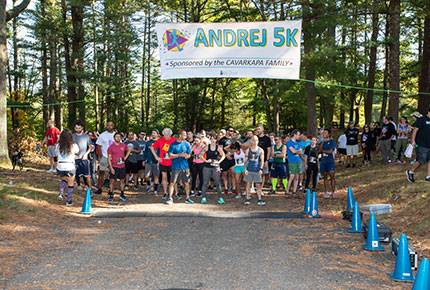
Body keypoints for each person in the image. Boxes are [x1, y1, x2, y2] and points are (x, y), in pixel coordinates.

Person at [165, 130, 194, 205]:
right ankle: (170, 198)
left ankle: (187, 198)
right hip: (175, 167)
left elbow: (189, 154)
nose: (186, 137)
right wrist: (179, 155)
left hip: (185, 167)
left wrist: (187, 156)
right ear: (180, 135)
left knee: (186, 182)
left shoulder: (186, 144)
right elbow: (170, 155)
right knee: (172, 182)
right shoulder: (173, 145)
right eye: (184, 135)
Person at [150, 128, 177, 200]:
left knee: (173, 177)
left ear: (170, 134)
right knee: (164, 177)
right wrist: (157, 157)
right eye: (165, 134)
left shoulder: (174, 140)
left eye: (167, 134)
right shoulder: (160, 140)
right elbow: (152, 147)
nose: (166, 135)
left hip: (172, 162)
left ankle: (176, 192)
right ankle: (165, 192)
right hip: (163, 162)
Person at [56, 130, 79, 206]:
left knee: (63, 179)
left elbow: (57, 154)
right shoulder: (73, 145)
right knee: (70, 183)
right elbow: (78, 152)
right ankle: (68, 201)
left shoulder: (58, 145)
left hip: (60, 165)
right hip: (70, 165)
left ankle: (61, 193)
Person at [200, 134, 226, 204]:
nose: (213, 141)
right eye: (211, 139)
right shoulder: (206, 147)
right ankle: (203, 197)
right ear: (210, 140)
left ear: (216, 140)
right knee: (205, 183)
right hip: (207, 167)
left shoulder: (218, 148)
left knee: (217, 183)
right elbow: (200, 155)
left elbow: (223, 155)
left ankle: (220, 197)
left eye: (214, 139)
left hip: (215, 167)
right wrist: (205, 160)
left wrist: (219, 162)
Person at [406, 108, 430, 183]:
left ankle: (428, 176)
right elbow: (415, 130)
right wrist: (413, 141)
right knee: (421, 160)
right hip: (421, 144)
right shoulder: (422, 120)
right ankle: (410, 171)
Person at [107, 132, 131, 202]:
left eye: (119, 137)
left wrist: (126, 157)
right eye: (116, 137)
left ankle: (122, 194)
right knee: (112, 181)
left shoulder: (123, 145)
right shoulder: (111, 147)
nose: (118, 138)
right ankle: (111, 194)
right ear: (114, 138)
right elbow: (109, 158)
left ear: (121, 138)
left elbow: (129, 150)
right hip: (114, 166)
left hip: (122, 166)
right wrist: (111, 168)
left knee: (122, 180)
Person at [243, 135, 266, 205]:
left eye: (256, 140)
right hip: (249, 169)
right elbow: (245, 160)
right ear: (251, 141)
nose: (254, 142)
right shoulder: (248, 150)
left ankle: (259, 199)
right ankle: (247, 199)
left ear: (258, 141)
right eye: (253, 140)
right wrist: (245, 169)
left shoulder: (260, 150)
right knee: (248, 185)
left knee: (258, 185)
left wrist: (261, 169)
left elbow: (262, 161)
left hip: (257, 170)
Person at [94, 121, 115, 195]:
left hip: (114, 157)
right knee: (101, 173)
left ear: (113, 126)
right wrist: (100, 155)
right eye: (108, 125)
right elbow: (98, 145)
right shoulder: (103, 135)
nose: (109, 127)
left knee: (112, 174)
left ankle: (111, 189)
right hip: (105, 156)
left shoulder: (116, 135)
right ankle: (99, 188)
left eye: (111, 125)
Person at [72, 122, 92, 194]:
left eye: (79, 128)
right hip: (75, 158)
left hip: (84, 158)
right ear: (74, 128)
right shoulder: (72, 136)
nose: (78, 129)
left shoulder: (86, 136)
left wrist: (86, 154)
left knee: (86, 174)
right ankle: (78, 185)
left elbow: (91, 147)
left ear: (82, 128)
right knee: (76, 173)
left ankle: (88, 186)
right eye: (76, 128)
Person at [319, 129, 336, 198]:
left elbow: (330, 151)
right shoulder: (321, 142)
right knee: (325, 176)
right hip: (323, 160)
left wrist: (323, 151)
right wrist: (322, 143)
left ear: (329, 134)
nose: (324, 134)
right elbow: (319, 150)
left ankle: (333, 192)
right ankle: (326, 192)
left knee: (332, 175)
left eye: (325, 133)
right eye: (323, 133)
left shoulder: (332, 141)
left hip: (330, 160)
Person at [219, 126, 235, 195]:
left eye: (232, 131)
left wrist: (233, 154)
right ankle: (225, 188)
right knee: (224, 174)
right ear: (227, 131)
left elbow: (236, 149)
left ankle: (233, 188)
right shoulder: (222, 140)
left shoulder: (234, 140)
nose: (231, 132)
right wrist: (226, 156)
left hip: (232, 159)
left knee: (233, 174)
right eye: (230, 131)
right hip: (224, 159)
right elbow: (220, 150)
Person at [286, 129, 302, 197]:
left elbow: (301, 152)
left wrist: (297, 151)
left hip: (298, 160)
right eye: (298, 135)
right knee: (291, 176)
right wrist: (297, 151)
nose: (299, 136)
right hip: (292, 161)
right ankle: (287, 191)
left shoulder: (297, 143)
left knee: (297, 177)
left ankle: (294, 191)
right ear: (295, 135)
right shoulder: (289, 142)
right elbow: (293, 151)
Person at [144, 129, 160, 195]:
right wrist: (144, 160)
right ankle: (149, 184)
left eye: (154, 133)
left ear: (157, 134)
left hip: (156, 162)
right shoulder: (148, 142)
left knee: (156, 176)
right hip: (148, 161)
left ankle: (155, 190)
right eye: (152, 133)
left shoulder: (160, 142)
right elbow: (145, 152)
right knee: (146, 176)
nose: (153, 134)